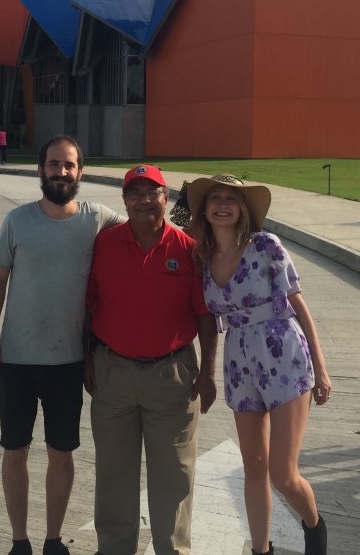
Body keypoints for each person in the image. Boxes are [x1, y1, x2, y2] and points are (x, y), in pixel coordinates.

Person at [0, 135, 124, 555]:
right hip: (16, 360)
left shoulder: (96, 218)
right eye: (53, 164)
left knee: (61, 452)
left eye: (68, 165)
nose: (61, 172)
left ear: (80, 172)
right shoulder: (17, 220)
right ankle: (19, 540)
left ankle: (53, 540)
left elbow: (146, 226)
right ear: (40, 169)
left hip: (68, 362)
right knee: (15, 450)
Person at [185, 173, 331, 555]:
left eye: (230, 199)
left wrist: (321, 367)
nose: (222, 205)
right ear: (205, 209)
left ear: (242, 209)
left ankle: (314, 527)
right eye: (214, 198)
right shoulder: (201, 257)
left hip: (284, 356)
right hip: (239, 362)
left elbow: (298, 304)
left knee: (283, 474)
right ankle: (261, 550)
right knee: (253, 466)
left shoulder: (265, 245)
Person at [85, 164, 218, 555]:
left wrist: (208, 373)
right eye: (135, 193)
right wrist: (87, 360)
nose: (144, 200)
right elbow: (88, 305)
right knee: (114, 475)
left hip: (172, 377)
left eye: (152, 192)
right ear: (124, 200)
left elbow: (205, 316)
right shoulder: (105, 244)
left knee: (174, 477)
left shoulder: (187, 249)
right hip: (113, 372)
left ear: (166, 198)